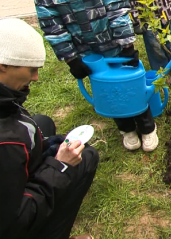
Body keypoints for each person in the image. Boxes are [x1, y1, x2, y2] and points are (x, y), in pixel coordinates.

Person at [31, 0, 159, 151]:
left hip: (112, 41)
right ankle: (127, 129)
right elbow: (50, 21)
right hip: (86, 50)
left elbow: (117, 6)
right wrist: (71, 58)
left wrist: (127, 45)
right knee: (107, 90)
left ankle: (148, 127)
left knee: (130, 86)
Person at [0, 18, 99, 239]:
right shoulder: (6, 144)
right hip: (13, 225)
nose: (35, 78)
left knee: (43, 122)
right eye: (31, 69)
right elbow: (15, 222)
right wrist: (59, 165)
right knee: (87, 157)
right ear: (3, 65)